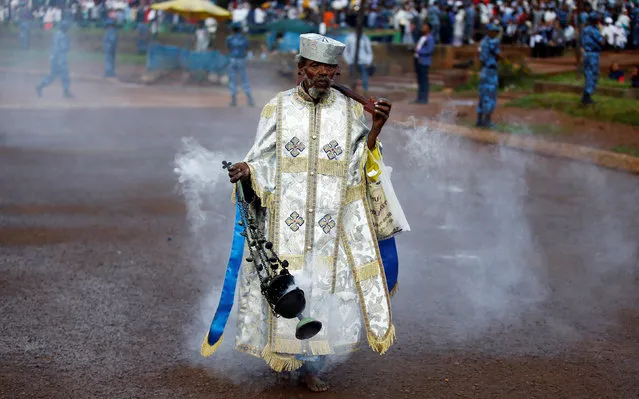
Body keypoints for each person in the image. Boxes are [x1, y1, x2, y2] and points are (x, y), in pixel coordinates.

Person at [204, 33, 402, 393]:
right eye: (316, 66)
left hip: (329, 224)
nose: (323, 73)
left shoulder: (350, 112)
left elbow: (360, 166)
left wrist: (374, 129)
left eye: (330, 68)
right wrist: (247, 171)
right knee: (290, 289)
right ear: (300, 70)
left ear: (337, 72)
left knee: (321, 290)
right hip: (286, 225)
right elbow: (260, 158)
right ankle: (285, 362)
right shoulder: (277, 108)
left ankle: (313, 366)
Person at [36, 19, 73, 99]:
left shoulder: (57, 34)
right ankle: (66, 91)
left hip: (53, 57)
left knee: (52, 76)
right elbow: (64, 48)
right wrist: (69, 43)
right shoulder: (63, 36)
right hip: (59, 58)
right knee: (65, 74)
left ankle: (40, 86)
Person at [476, 23, 501, 128]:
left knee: (482, 94)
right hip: (491, 70)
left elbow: (479, 55)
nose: (496, 33)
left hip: (483, 70)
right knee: (490, 95)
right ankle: (487, 120)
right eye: (495, 31)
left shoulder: (483, 41)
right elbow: (498, 55)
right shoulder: (494, 41)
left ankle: (479, 120)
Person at [226, 23, 255, 107]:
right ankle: (250, 100)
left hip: (232, 59)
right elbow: (247, 47)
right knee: (244, 79)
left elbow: (228, 47)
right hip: (241, 59)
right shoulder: (244, 38)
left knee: (233, 80)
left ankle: (233, 100)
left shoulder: (229, 38)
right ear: (240, 29)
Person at [581, 12, 604, 105]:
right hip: (593, 54)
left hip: (586, 53)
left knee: (587, 74)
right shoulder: (594, 30)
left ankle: (586, 96)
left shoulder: (585, 29)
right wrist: (602, 32)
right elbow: (602, 42)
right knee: (592, 74)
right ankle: (587, 96)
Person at [343, 28, 374, 95]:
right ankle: (351, 93)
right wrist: (348, 61)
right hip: (352, 62)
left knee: (364, 78)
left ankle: (364, 93)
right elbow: (346, 51)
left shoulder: (365, 39)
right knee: (352, 78)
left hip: (363, 62)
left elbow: (369, 51)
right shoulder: (349, 38)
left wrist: (368, 62)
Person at [413, 22, 435, 104]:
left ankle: (424, 98)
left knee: (424, 80)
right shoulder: (422, 37)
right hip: (418, 60)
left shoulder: (430, 38)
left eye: (424, 26)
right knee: (419, 80)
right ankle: (419, 97)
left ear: (428, 29)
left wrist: (418, 51)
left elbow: (429, 50)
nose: (422, 28)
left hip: (424, 61)